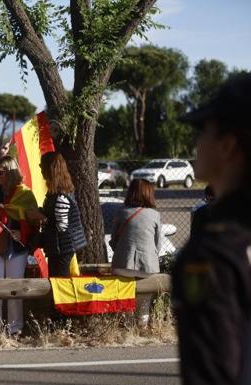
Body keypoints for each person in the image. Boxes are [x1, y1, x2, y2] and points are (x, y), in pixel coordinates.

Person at [172, 74, 251, 385]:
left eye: (203, 130)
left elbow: (211, 373)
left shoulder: (213, 253)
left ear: (228, 145)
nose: (197, 143)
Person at [0, 155, 38, 335]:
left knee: (15, 289)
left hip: (17, 247)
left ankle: (15, 329)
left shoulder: (25, 193)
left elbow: (34, 220)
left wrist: (22, 231)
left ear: (11, 172)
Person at [110, 178, 161, 327]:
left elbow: (113, 242)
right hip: (147, 266)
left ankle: (126, 326)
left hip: (122, 265)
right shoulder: (154, 215)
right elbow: (157, 245)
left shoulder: (122, 213)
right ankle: (142, 326)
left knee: (125, 296)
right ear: (149, 193)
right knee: (144, 300)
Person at [34, 152, 87, 277]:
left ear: (50, 169)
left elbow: (62, 226)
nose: (40, 168)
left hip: (63, 248)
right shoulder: (56, 193)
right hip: (58, 247)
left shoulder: (61, 196)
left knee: (60, 283)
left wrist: (41, 217)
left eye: (42, 166)